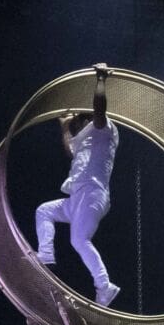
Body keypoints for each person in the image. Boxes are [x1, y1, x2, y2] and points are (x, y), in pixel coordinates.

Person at [35, 64, 122, 308]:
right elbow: (70, 150)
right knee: (44, 211)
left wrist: (100, 79)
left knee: (79, 240)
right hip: (77, 198)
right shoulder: (84, 139)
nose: (75, 126)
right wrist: (64, 125)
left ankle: (104, 285)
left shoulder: (103, 130)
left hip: (92, 193)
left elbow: (99, 109)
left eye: (76, 122)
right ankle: (46, 256)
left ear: (87, 118)